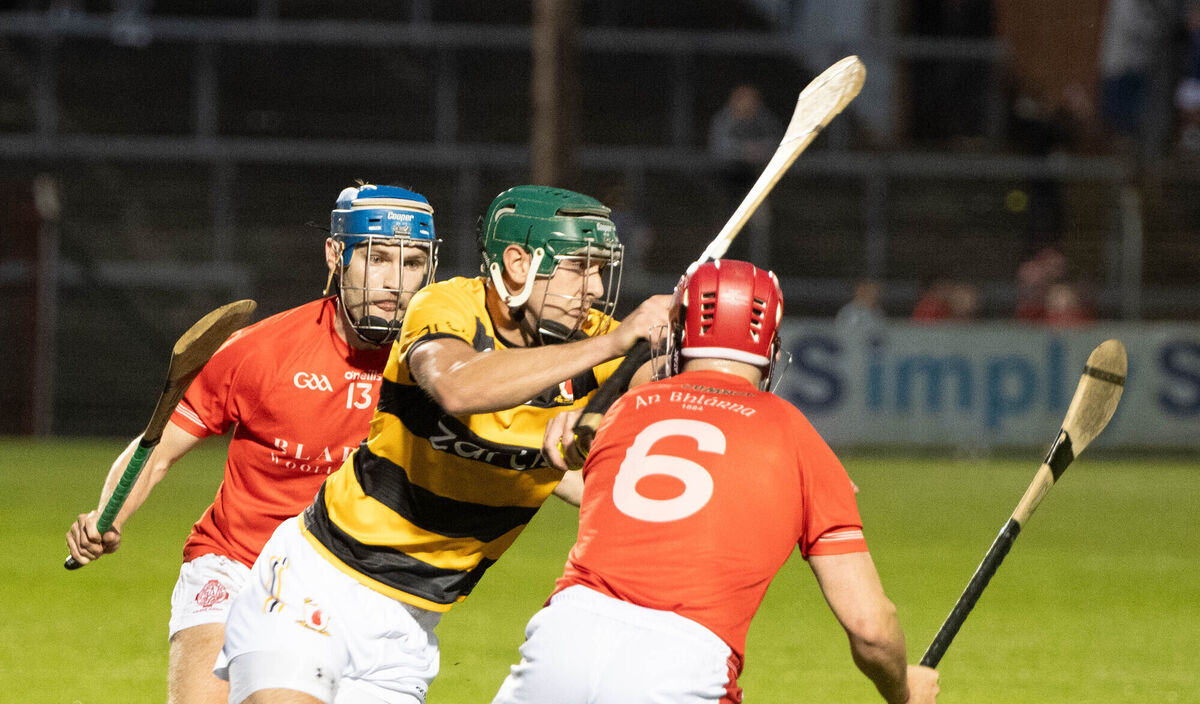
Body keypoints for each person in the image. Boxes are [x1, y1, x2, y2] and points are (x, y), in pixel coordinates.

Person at [216, 185, 672, 703]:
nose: (592, 288)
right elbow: (458, 386)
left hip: (411, 625)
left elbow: (684, 395)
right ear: (519, 263)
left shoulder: (605, 348)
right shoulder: (448, 306)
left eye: (599, 269)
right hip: (319, 579)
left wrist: (684, 339)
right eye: (578, 268)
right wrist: (612, 345)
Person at [493, 260, 940, 704]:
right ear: (772, 347)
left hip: (563, 637)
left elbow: (601, 490)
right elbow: (871, 630)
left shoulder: (625, 409)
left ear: (678, 336)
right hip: (684, 659)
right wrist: (904, 690)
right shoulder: (796, 435)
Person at [64, 183, 440, 704]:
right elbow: (158, 451)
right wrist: (108, 515)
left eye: (413, 262)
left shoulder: (437, 369)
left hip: (355, 579)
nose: (393, 282)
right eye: (376, 258)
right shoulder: (262, 352)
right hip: (235, 563)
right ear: (336, 254)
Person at [708, 84, 783, 263]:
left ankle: (759, 266)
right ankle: (714, 267)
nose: (748, 104)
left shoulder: (764, 120)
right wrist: (745, 151)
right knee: (723, 227)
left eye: (752, 100)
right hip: (726, 180)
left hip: (754, 180)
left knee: (761, 222)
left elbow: (778, 143)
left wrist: (758, 152)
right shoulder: (724, 120)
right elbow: (720, 148)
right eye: (742, 99)